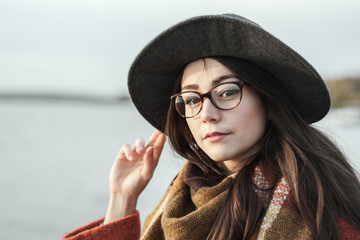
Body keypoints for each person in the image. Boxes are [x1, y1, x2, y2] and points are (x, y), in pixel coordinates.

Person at [63, 14, 360, 240]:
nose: (207, 113)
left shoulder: (318, 210)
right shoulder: (183, 200)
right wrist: (122, 199)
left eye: (228, 92)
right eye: (191, 99)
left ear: (269, 101)